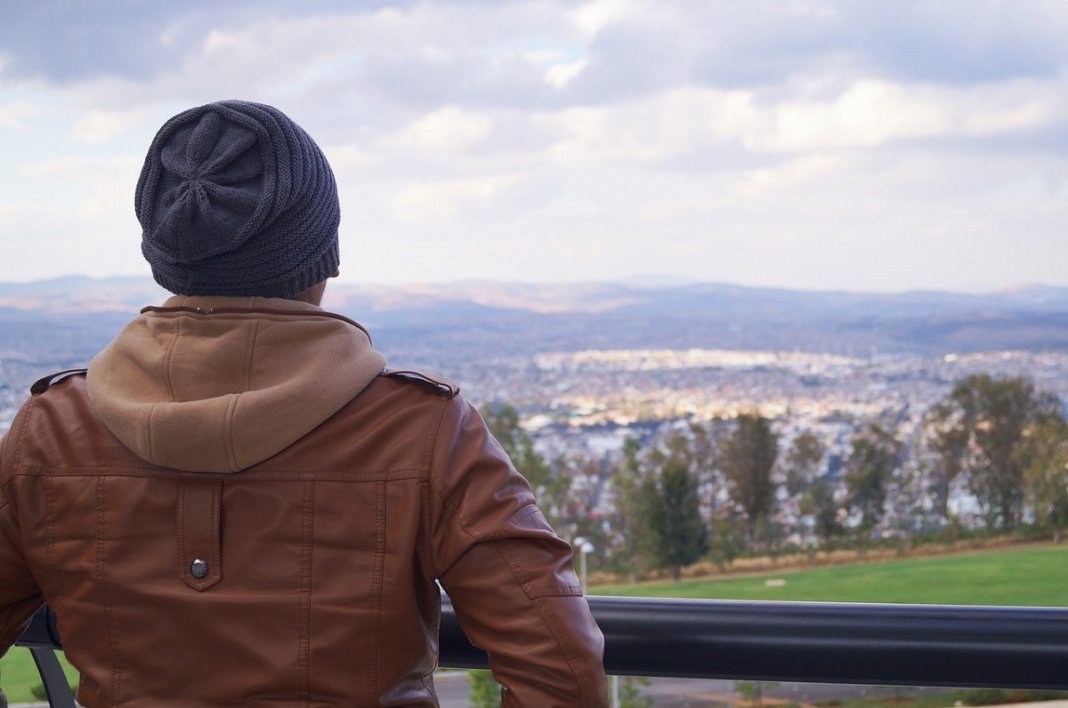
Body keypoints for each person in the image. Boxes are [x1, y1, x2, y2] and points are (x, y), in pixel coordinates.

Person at [0, 100, 608, 707]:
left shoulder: (52, 428)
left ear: (163, 255)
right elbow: (559, 666)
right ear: (323, 256)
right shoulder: (421, 428)